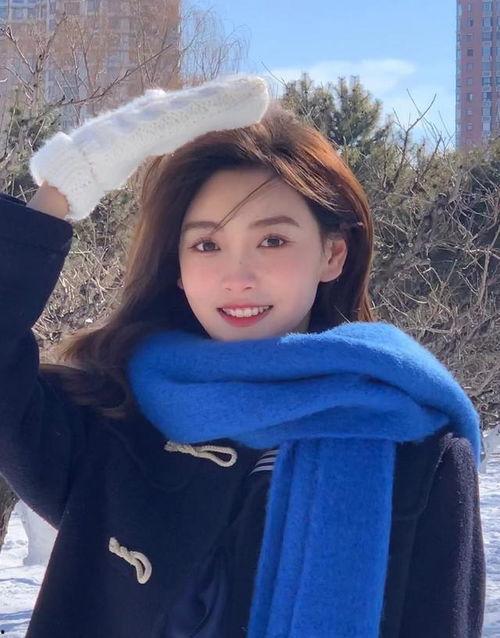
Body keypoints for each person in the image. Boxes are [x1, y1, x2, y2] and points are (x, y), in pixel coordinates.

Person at [0, 74, 486, 637]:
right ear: (178, 269)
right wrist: (65, 186)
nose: (237, 276)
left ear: (332, 255)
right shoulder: (114, 416)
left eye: (272, 240)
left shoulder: (421, 449)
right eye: (206, 244)